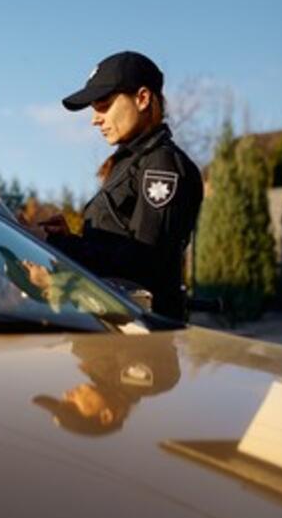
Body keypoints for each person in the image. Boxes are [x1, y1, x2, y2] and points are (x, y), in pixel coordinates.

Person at [37, 51, 203, 320]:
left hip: (140, 342)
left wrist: (61, 248)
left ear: (142, 99)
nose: (95, 118)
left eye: (104, 104)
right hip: (114, 333)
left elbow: (143, 266)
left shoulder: (161, 166)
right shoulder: (129, 163)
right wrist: (67, 240)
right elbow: (117, 253)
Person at [33, 336, 180, 436]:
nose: (66, 395)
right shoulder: (140, 383)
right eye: (71, 406)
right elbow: (135, 336)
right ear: (106, 415)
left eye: (62, 400)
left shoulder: (104, 379)